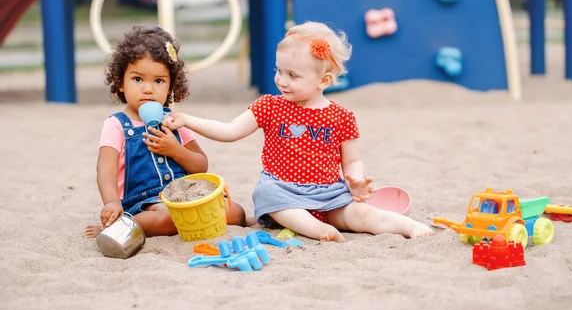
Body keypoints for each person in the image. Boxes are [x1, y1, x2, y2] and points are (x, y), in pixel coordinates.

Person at [163, 21, 434, 242]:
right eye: (279, 70)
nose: (281, 80)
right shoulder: (269, 106)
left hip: (329, 194)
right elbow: (229, 131)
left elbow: (352, 160)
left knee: (363, 215)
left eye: (293, 75)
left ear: (324, 80)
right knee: (268, 196)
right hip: (283, 190)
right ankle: (319, 232)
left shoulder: (342, 116)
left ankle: (408, 226)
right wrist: (188, 119)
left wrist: (356, 179)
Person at [83, 26, 247, 239]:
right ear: (121, 82)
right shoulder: (116, 125)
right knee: (165, 218)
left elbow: (201, 165)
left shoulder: (174, 120)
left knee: (236, 212)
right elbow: (105, 169)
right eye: (138, 79)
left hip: (185, 196)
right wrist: (112, 203)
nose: (148, 89)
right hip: (146, 205)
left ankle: (239, 221)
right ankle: (118, 227)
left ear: (170, 86)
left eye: (158, 81)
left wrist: (176, 150)